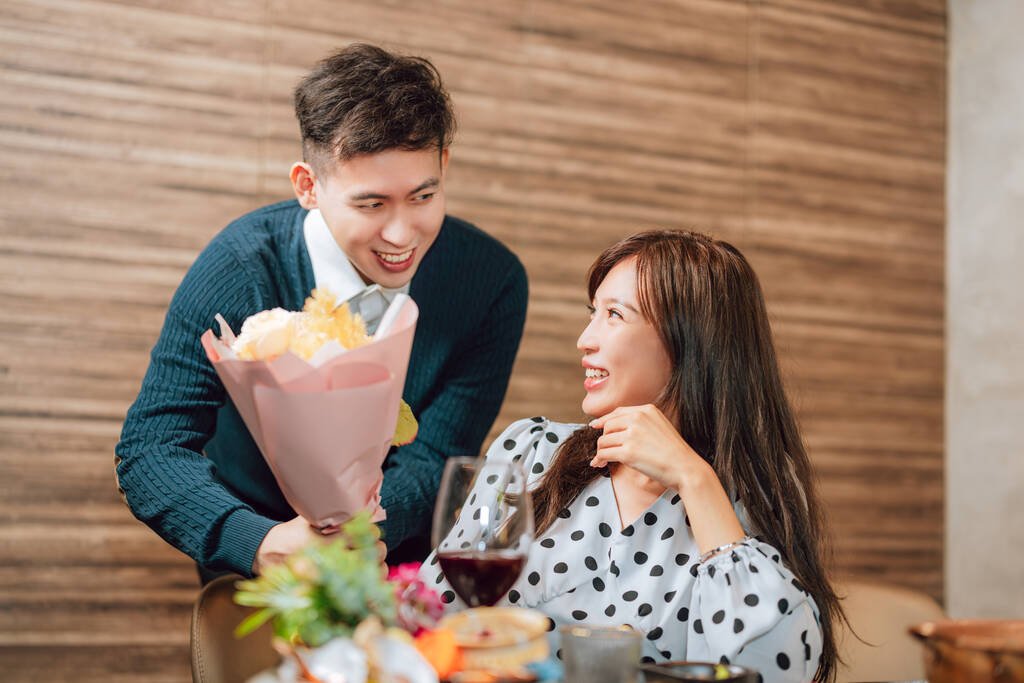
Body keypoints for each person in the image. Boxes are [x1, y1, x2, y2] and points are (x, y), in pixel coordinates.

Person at [115, 44, 528, 580]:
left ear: (444, 165)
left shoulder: (491, 281)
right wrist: (257, 541)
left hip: (398, 571)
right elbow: (150, 448)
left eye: (423, 197)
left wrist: (360, 532)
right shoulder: (240, 266)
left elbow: (437, 457)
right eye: (371, 205)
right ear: (308, 186)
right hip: (260, 567)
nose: (402, 235)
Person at [422, 230, 846, 682]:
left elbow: (777, 670)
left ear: (690, 343)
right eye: (593, 313)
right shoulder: (530, 450)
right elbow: (430, 619)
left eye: (614, 315)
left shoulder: (751, 498)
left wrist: (693, 478)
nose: (586, 339)